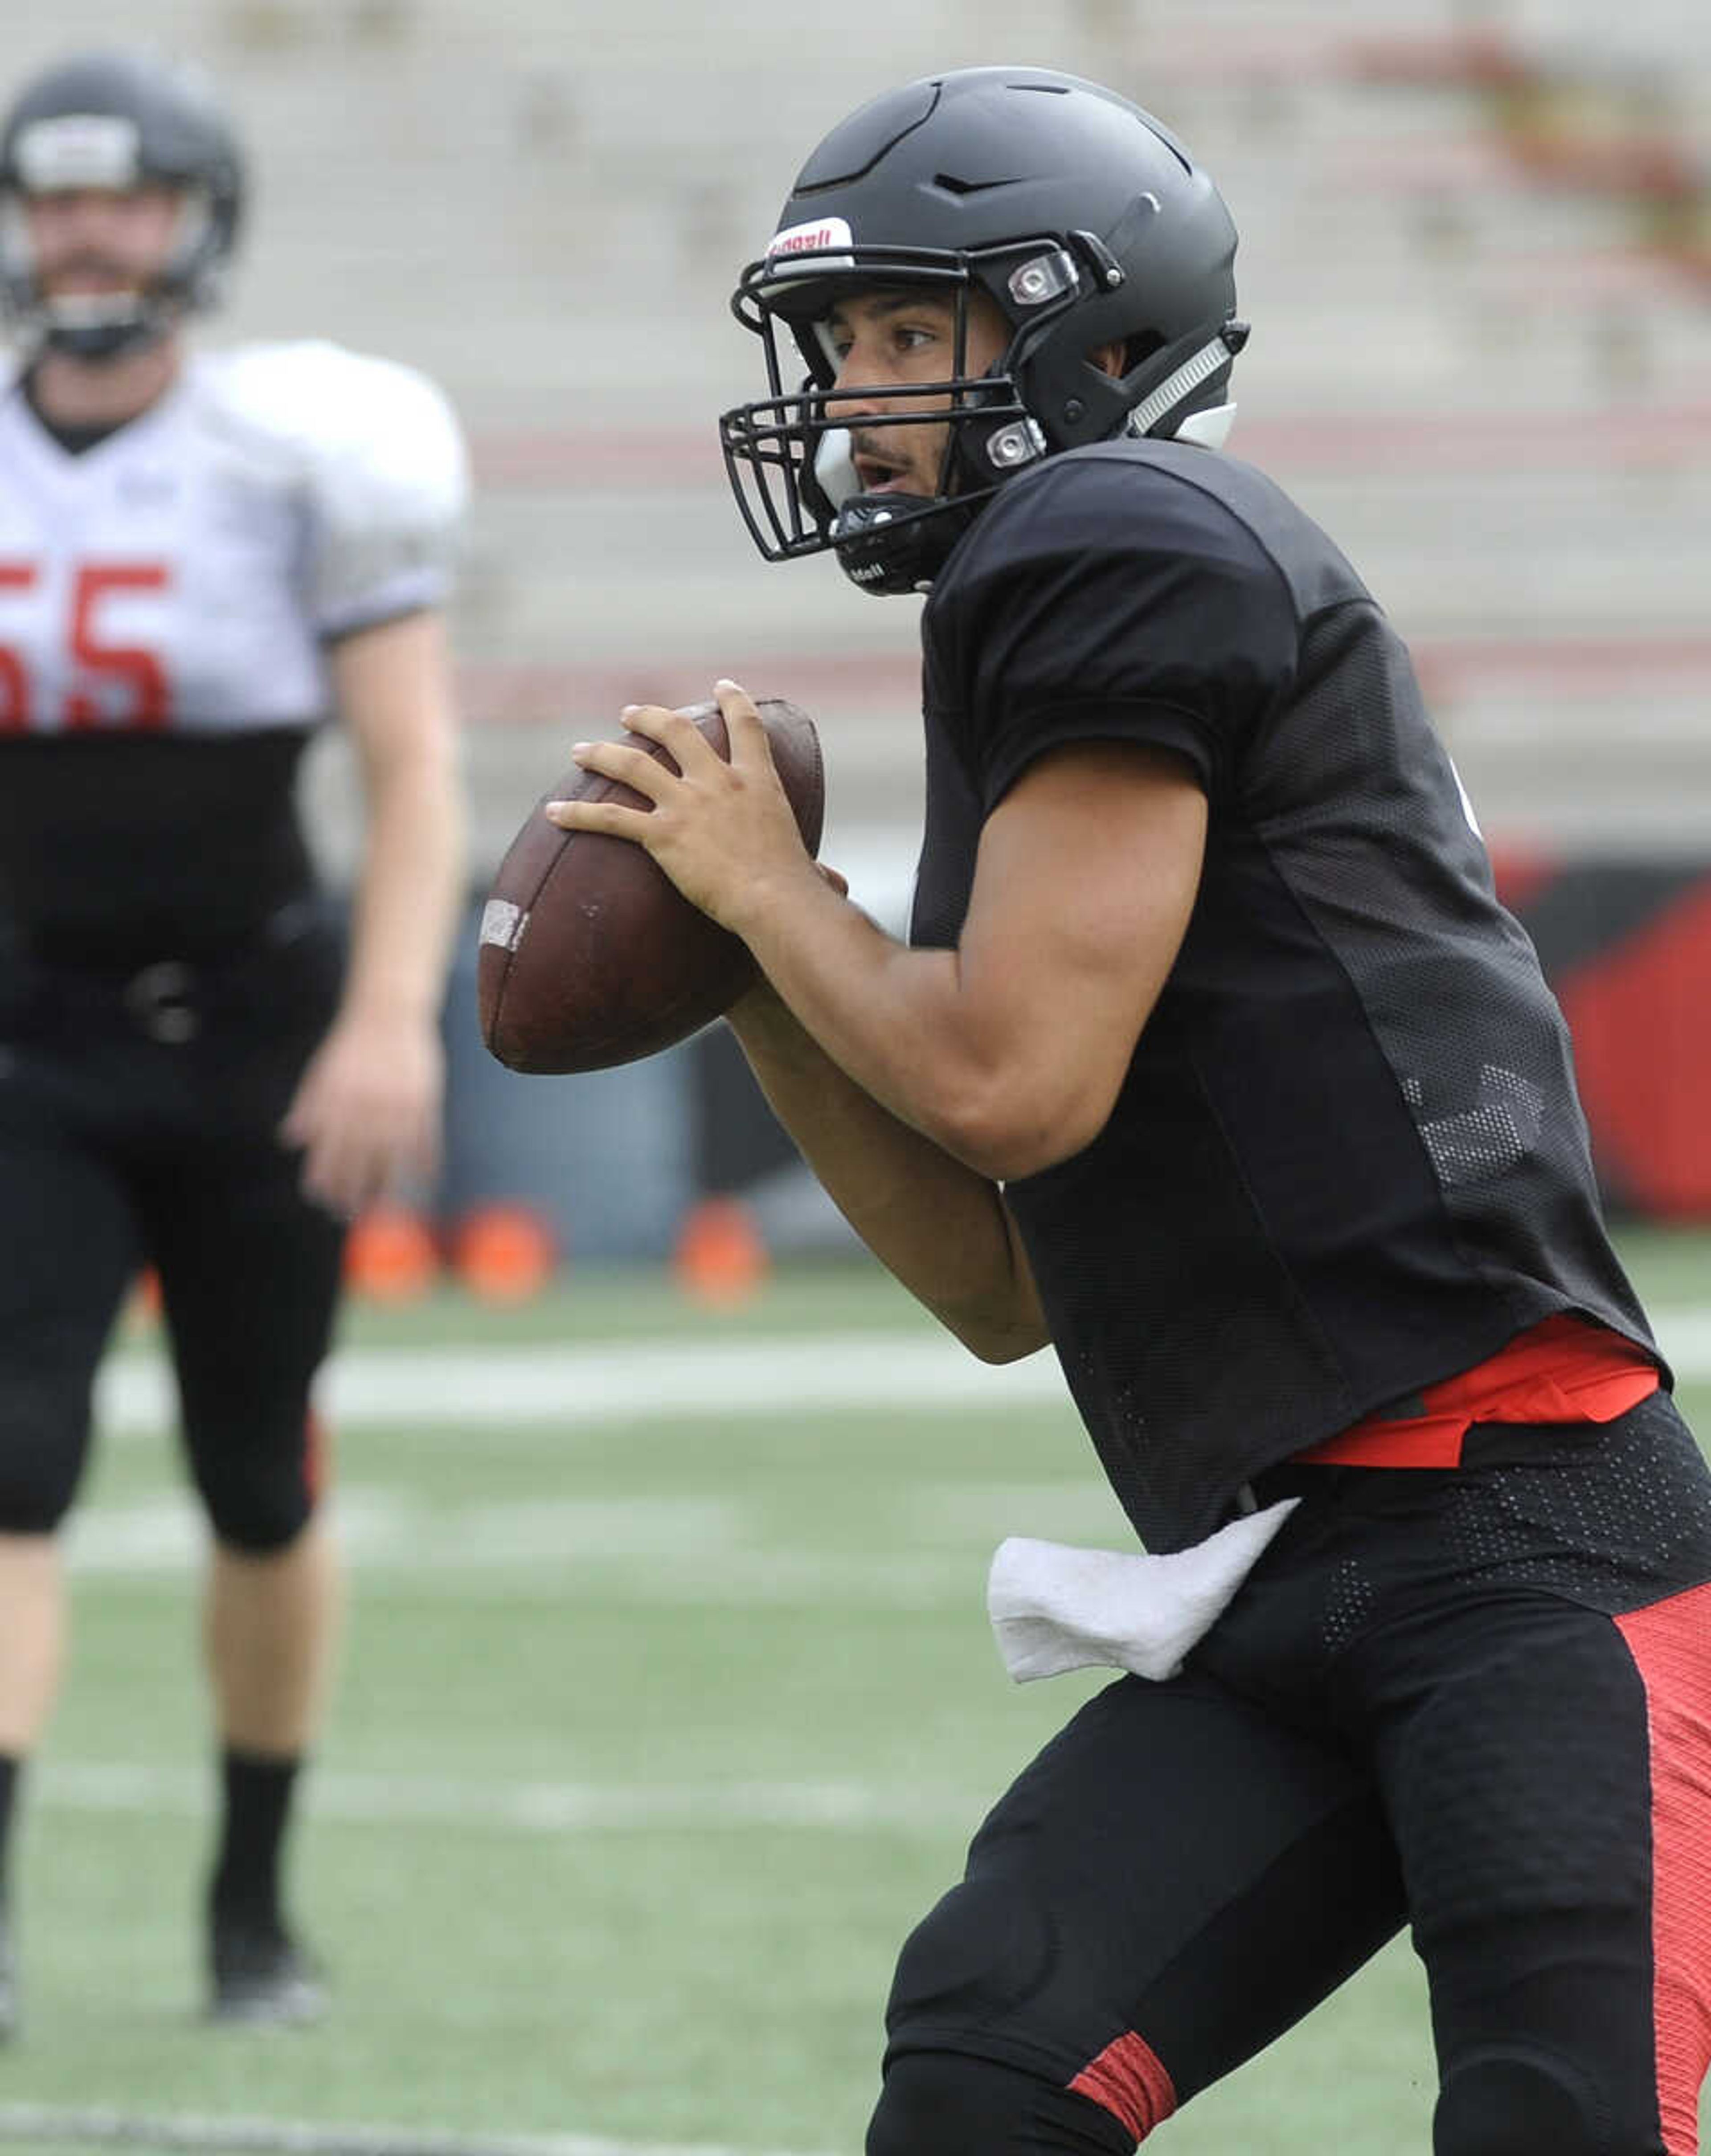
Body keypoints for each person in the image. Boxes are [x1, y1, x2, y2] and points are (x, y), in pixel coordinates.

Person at [548, 65, 1711, 2156]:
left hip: (1532, 1554)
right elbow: (1007, 1276)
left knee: (1554, 2126)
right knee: (994, 2055)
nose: (859, 395)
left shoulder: (1112, 528)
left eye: (913, 334)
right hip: (1297, 1562)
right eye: (845, 345)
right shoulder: (1076, 566)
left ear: (1086, 338)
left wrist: (773, 896)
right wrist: (758, 976)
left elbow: (1006, 1070)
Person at [0, 50, 466, 2029]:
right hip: (26, 1031)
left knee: (258, 1475)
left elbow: (415, 768)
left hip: (259, 1028)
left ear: (198, 218)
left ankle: (249, 1912)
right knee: (12, 1469)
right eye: (55, 197)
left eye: (124, 198)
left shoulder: (310, 453)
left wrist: (383, 1022)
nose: (88, 233)